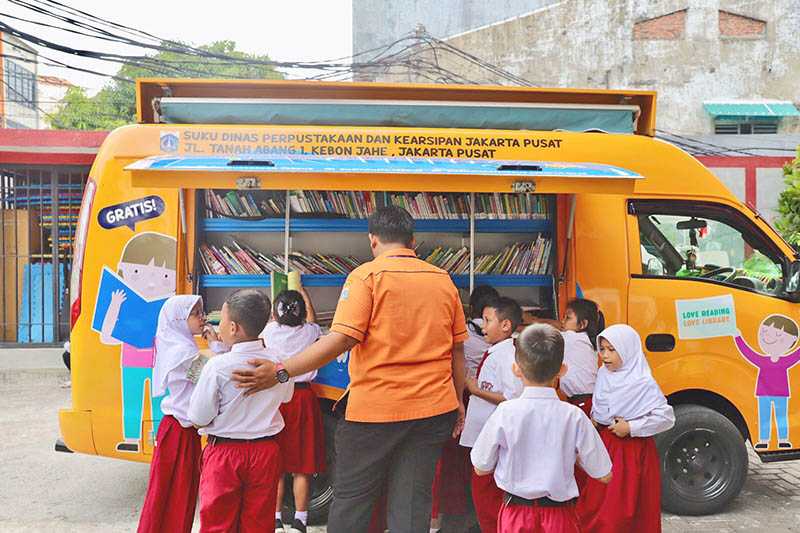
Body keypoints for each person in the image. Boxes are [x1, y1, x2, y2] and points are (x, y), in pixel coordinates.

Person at [231, 206, 468, 533]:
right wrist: (457, 401)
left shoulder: (366, 277)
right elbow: (457, 351)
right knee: (412, 504)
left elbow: (341, 340)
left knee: (354, 501)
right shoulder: (444, 282)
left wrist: (281, 370)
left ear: (372, 241)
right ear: (413, 241)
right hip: (432, 411)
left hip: (374, 413)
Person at [471, 324, 612, 533]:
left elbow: (481, 468)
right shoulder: (574, 417)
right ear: (562, 370)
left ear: (516, 368)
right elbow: (604, 474)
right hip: (559, 516)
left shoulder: (505, 413)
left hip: (515, 514)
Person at [188, 290, 293, 532]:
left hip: (225, 454)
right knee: (258, 523)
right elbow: (286, 396)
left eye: (222, 321)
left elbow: (198, 417)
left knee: (218, 524)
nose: (219, 326)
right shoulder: (278, 363)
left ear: (234, 327)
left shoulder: (218, 367)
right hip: (265, 452)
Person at [577, 324, 675, 533]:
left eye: (612, 350)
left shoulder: (642, 382)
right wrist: (595, 418)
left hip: (631, 451)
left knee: (622, 508)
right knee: (596, 504)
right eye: (602, 349)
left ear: (628, 349)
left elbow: (665, 417)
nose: (605, 355)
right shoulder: (604, 374)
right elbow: (602, 405)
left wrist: (632, 427)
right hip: (605, 444)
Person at [137, 294, 219, 533]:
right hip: (177, 432)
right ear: (178, 319)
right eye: (195, 314)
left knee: (180, 497)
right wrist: (216, 346)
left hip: (183, 432)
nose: (202, 318)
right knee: (167, 496)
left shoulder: (181, 344)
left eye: (201, 313)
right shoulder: (181, 351)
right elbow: (211, 370)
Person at [430, 285, 500, 531]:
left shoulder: (463, 336)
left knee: (454, 459)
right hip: (478, 400)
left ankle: (450, 512)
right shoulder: (501, 346)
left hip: (462, 397)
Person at [263, 289, 326, 533]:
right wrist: (305, 294)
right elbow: (313, 320)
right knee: (303, 463)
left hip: (277, 397)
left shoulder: (269, 332)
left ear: (275, 315)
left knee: (277, 462)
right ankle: (300, 520)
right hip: (303, 398)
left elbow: (269, 323)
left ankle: (276, 519)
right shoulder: (310, 331)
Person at [459, 296, 524, 533]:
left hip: (494, 437)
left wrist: (475, 389)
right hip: (485, 434)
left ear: (505, 325)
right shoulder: (496, 351)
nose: (482, 327)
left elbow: (512, 397)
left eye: (487, 321)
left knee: (487, 492)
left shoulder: (506, 356)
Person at [559, 298, 604, 418]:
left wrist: (531, 321)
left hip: (583, 401)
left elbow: (544, 333)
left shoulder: (573, 339)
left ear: (583, 324)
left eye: (568, 318)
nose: (563, 321)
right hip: (585, 400)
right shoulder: (585, 339)